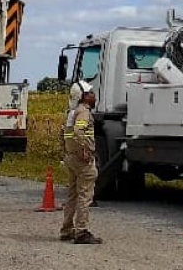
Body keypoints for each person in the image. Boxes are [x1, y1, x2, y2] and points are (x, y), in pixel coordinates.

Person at [59, 80, 102, 244]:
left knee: (73, 195)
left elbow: (64, 133)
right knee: (85, 195)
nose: (94, 95)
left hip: (71, 157)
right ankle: (81, 232)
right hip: (81, 160)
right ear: (84, 96)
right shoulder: (83, 112)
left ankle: (67, 229)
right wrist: (85, 149)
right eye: (91, 93)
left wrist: (67, 152)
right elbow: (78, 131)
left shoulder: (71, 112)